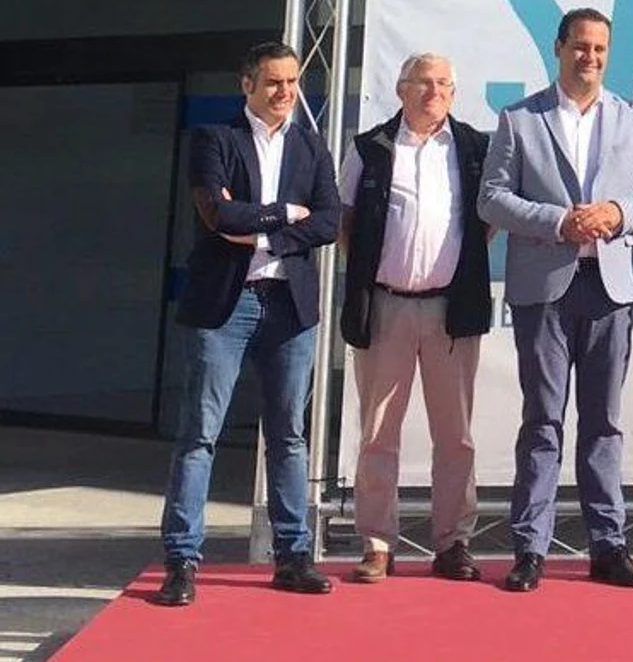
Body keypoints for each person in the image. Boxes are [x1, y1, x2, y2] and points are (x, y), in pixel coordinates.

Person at [478, 8, 633, 592]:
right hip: (546, 287)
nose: (590, 57)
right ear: (558, 49)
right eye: (580, 47)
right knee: (542, 421)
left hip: (610, 289)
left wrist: (617, 214)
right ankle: (530, 548)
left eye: (600, 49)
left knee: (604, 422)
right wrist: (559, 222)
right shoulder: (519, 119)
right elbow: (491, 198)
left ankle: (608, 544)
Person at [155, 41, 341, 607]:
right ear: (247, 85)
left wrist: (258, 230)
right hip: (224, 306)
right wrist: (287, 213)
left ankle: (292, 556)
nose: (285, 93)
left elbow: (331, 221)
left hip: (290, 307)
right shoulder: (215, 139)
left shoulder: (310, 146)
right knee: (200, 436)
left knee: (288, 436)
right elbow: (217, 214)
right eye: (273, 83)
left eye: (291, 82)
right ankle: (182, 561)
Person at [337, 52, 491, 584]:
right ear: (401, 90)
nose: (434, 92)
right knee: (378, 433)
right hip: (386, 307)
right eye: (423, 83)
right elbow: (346, 224)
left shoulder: (474, 148)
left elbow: (485, 225)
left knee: (456, 435)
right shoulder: (370, 149)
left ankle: (453, 543)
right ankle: (378, 543)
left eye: (444, 83)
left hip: (452, 308)